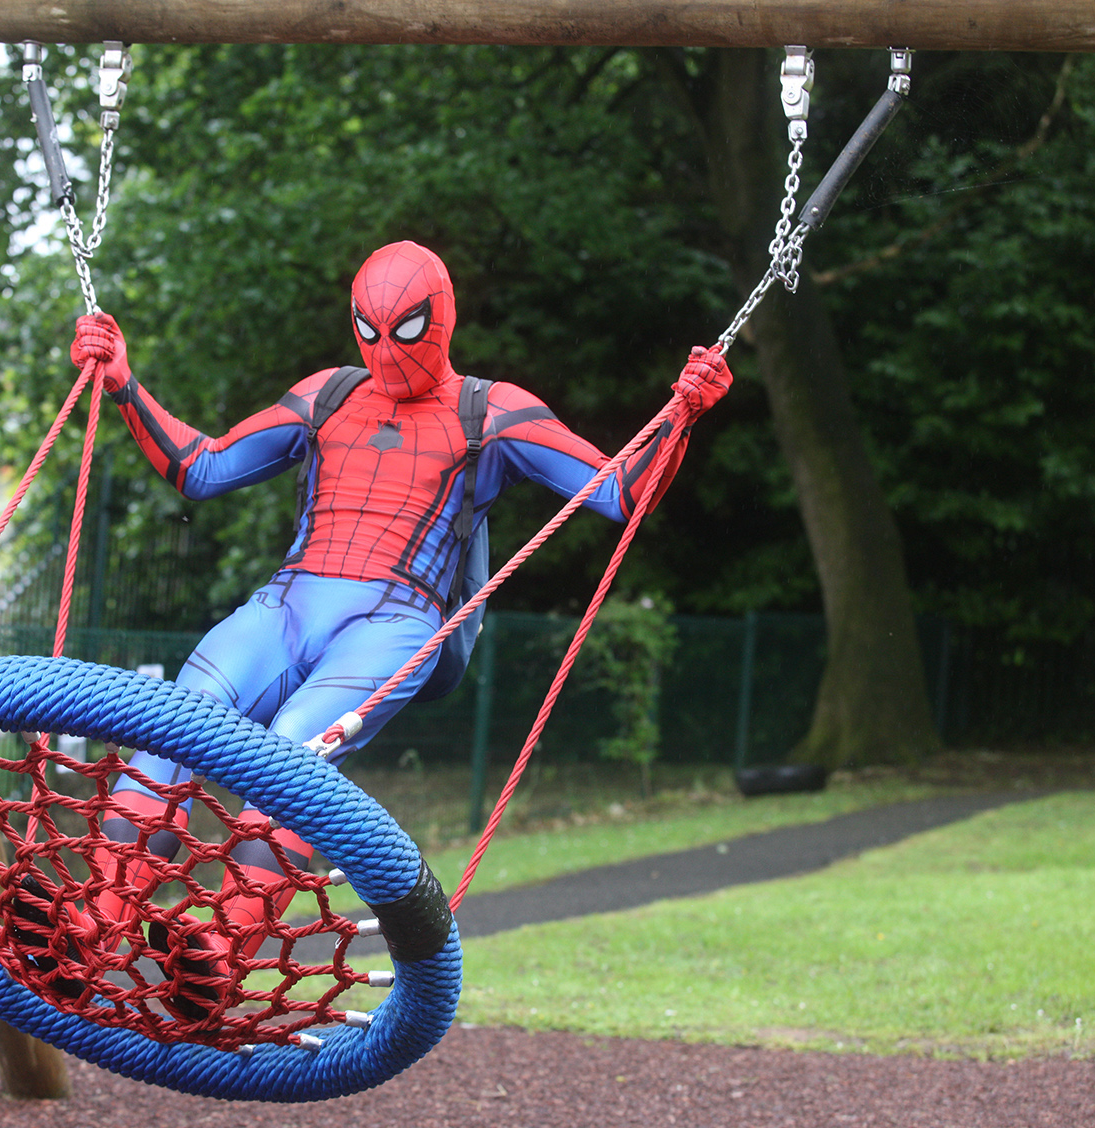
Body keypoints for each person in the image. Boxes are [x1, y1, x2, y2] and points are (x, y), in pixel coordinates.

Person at [67, 241, 729, 1013]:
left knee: (296, 756)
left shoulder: (493, 413)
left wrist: (682, 413)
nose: (385, 352)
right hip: (287, 602)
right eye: (368, 330)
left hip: (394, 618)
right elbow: (203, 468)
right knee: (173, 724)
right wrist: (123, 384)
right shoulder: (327, 396)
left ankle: (224, 944)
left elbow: (618, 494)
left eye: (405, 331)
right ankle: (98, 921)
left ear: (439, 321)